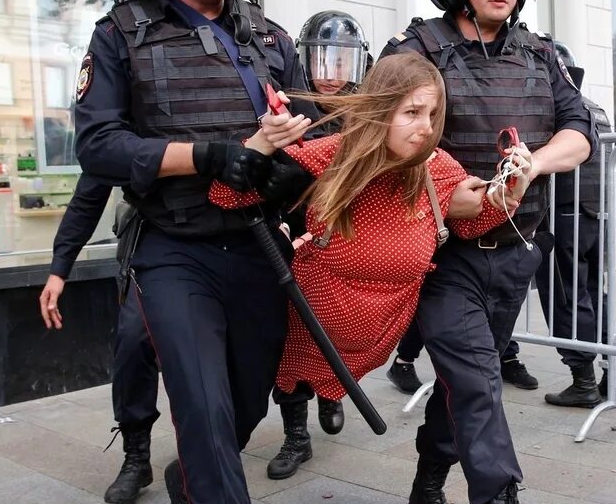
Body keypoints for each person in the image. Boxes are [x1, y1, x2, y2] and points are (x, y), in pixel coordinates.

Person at [72, 0, 308, 504]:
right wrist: (204, 155)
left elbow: (306, 142)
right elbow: (100, 146)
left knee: (241, 409)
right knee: (202, 408)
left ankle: (187, 487)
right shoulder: (122, 32)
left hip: (258, 244)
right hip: (175, 248)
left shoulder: (269, 38)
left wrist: (286, 175)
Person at [379, 0, 593, 504]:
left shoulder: (539, 51)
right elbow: (384, 140)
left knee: (461, 385)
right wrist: (446, 193)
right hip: (446, 254)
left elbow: (580, 129)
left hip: (517, 251)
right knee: (477, 382)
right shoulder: (416, 48)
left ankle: (425, 486)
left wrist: (534, 166)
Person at [211, 50, 530, 440]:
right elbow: (230, 197)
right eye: (412, 113)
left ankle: (328, 397)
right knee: (280, 386)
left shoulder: (438, 166)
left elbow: (471, 224)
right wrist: (258, 147)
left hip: (380, 325)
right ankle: (294, 436)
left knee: (321, 381)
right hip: (311, 316)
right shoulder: (331, 155)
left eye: (432, 115)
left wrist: (507, 196)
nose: (425, 128)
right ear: (381, 109)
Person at [264, 8, 371, 481]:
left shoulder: (368, 114)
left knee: (337, 330)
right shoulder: (288, 110)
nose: (329, 73)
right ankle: (295, 435)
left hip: (343, 242)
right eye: (320, 60)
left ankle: (332, 390)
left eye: (340, 61)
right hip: (293, 238)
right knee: (288, 337)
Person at [497, 41, 616, 409]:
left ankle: (582, 379)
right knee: (592, 293)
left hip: (562, 214)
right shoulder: (595, 108)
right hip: (596, 213)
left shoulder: (555, 113)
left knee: (565, 298)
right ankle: (614, 365)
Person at [38, 176, 159, 504]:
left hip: (222, 244)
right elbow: (89, 195)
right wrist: (59, 269)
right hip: (153, 247)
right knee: (133, 340)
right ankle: (136, 455)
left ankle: (212, 458)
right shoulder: (122, 127)